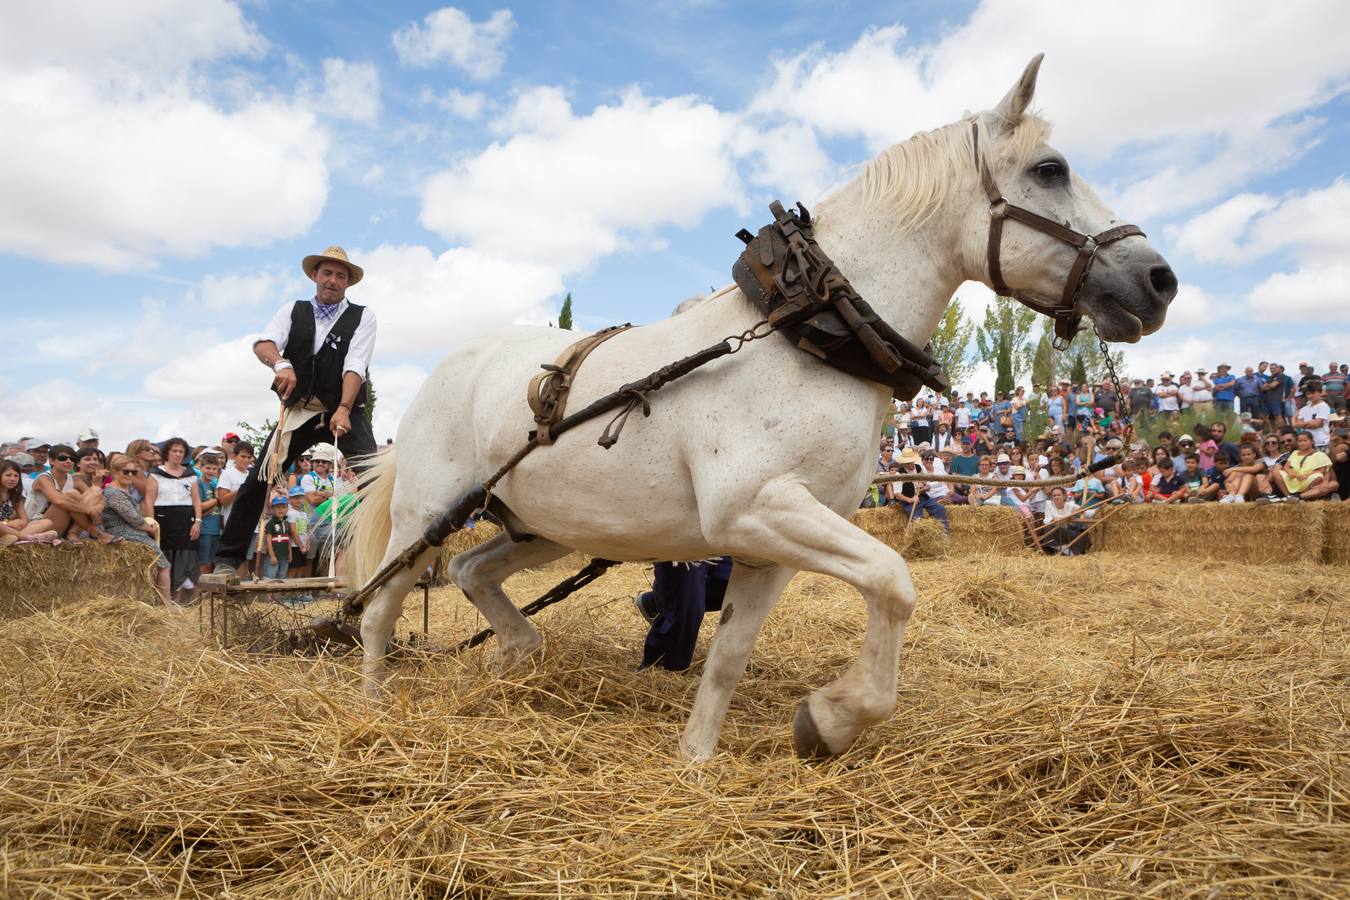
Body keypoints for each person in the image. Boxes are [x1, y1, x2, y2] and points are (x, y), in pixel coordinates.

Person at [213, 246, 378, 578]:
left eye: (341, 275)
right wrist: (282, 364)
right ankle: (228, 561)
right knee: (259, 478)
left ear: (348, 282)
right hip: (299, 411)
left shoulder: (363, 316)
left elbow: (355, 365)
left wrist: (344, 408)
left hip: (345, 410)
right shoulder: (293, 309)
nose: (333, 280)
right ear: (315, 276)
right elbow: (264, 343)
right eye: (327, 273)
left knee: (375, 479)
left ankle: (386, 556)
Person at [633, 557, 733, 671]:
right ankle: (663, 667)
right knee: (688, 603)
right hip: (687, 548)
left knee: (743, 582)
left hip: (724, 545)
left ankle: (659, 602)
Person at [101, 453, 172, 603]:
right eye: (125, 471)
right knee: (164, 565)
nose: (130, 475)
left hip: (129, 531)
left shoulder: (121, 490)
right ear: (114, 472)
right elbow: (133, 518)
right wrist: (150, 528)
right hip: (124, 533)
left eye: (133, 472)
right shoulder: (114, 493)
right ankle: (167, 604)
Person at [145, 437, 202, 602]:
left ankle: (183, 599)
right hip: (164, 520)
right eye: (174, 451)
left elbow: (196, 499)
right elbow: (149, 500)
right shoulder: (156, 474)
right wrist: (151, 523)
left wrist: (198, 521)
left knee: (187, 556)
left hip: (186, 520)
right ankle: (165, 599)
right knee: (166, 557)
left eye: (181, 451)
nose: (178, 454)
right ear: (167, 453)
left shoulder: (190, 474)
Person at [26, 444, 99, 542]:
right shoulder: (44, 478)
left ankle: (74, 532)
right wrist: (89, 511)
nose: (68, 461)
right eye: (63, 458)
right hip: (38, 525)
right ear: (51, 461)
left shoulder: (75, 480)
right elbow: (58, 501)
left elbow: (95, 497)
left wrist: (95, 507)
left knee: (95, 491)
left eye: (72, 458)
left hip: (62, 525)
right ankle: (93, 531)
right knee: (70, 497)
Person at [0, 460, 59, 544]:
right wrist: (7, 524)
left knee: (47, 522)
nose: (12, 479)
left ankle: (11, 538)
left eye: (16, 476)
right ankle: (27, 537)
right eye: (8, 475)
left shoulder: (16, 496)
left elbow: (24, 520)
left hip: (9, 529)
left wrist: (11, 524)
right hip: (4, 528)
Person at [1272, 430, 1338, 501]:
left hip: (1308, 479)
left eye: (1305, 440)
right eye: (1300, 441)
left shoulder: (1319, 454)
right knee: (1276, 473)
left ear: (1311, 442)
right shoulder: (1295, 453)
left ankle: (1300, 496)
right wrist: (1291, 472)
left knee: (1318, 477)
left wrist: (1306, 475)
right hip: (1295, 478)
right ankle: (1288, 497)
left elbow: (1322, 470)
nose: (1302, 443)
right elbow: (1286, 466)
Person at [197, 450, 224, 574]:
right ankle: (199, 590)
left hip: (215, 529)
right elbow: (199, 505)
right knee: (202, 562)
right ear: (201, 467)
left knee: (210, 562)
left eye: (214, 469)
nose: (211, 471)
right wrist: (217, 500)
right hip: (204, 529)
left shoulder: (214, 485)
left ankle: (206, 591)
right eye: (208, 468)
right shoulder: (198, 484)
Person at [262, 495, 300, 580]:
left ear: (287, 509)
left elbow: (288, 540)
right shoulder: (271, 523)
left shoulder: (286, 523)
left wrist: (290, 553)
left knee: (282, 578)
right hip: (274, 556)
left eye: (283, 507)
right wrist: (272, 556)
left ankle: (278, 594)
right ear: (272, 509)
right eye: (278, 507)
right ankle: (268, 593)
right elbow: (268, 541)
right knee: (269, 578)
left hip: (285, 556)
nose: (281, 509)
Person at [1041, 487, 1086, 555]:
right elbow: (1046, 520)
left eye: (1059, 495)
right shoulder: (1049, 504)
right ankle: (1061, 549)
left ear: (1064, 496)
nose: (1056, 497)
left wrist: (1099, 510)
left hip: (1067, 531)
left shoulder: (1071, 505)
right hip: (1055, 531)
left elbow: (1085, 512)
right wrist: (1053, 519)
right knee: (1048, 529)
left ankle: (1067, 551)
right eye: (1054, 495)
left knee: (1078, 533)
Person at [1294, 382, 1331, 449]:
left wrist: (1304, 424)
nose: (1310, 396)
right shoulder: (1304, 409)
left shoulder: (1323, 406)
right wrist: (1312, 423)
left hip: (1321, 443)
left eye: (1313, 393)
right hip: (1308, 445)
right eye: (1308, 394)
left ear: (1320, 393)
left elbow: (1317, 424)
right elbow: (1297, 425)